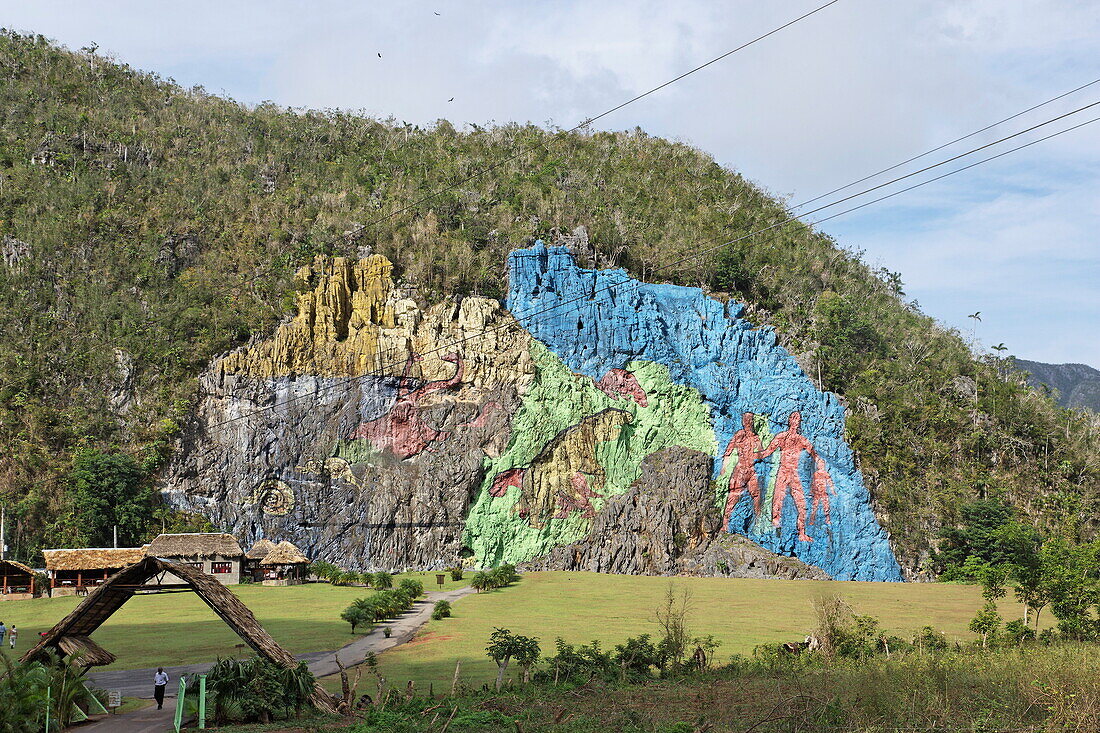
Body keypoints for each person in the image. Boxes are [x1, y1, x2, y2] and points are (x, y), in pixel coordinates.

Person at [756, 411, 817, 542]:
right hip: (783, 471)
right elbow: (767, 452)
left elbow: (814, 454)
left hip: (794, 474)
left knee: (802, 504)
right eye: (793, 417)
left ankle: (802, 532)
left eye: (798, 418)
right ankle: (774, 523)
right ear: (789, 420)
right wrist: (753, 455)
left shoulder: (802, 440)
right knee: (778, 498)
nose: (795, 420)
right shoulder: (782, 437)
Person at [720, 412, 765, 525]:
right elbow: (728, 451)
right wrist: (724, 467)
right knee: (733, 496)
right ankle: (725, 523)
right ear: (743, 422)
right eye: (747, 420)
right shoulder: (740, 435)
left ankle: (758, 521)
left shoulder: (755, 437)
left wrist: (756, 441)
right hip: (740, 470)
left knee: (757, 494)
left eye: (750, 420)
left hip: (751, 470)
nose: (749, 422)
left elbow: (760, 454)